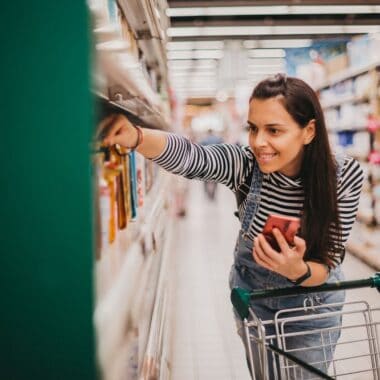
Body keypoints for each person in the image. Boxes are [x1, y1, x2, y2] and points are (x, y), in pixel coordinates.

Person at [101, 74, 364, 379]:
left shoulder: (342, 175)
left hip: (311, 306)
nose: (258, 142)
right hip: (253, 300)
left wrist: (298, 271)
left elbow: (329, 258)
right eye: (253, 128)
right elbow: (192, 157)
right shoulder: (245, 165)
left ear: (309, 131)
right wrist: (137, 137)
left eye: (274, 130)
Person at [200, 129, 224, 200]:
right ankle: (213, 193)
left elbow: (200, 151)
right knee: (216, 178)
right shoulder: (218, 139)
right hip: (216, 162)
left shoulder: (204, 140)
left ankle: (207, 191)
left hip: (206, 163)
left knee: (205, 178)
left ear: (208, 133)